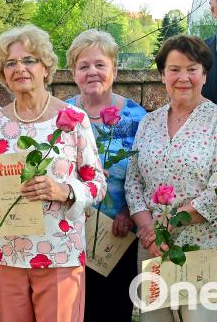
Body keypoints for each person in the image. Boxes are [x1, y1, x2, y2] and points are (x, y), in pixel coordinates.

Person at [0, 25, 107, 321]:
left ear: (46, 67)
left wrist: (65, 191)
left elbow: (96, 184)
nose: (20, 68)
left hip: (60, 253)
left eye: (29, 60)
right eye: (11, 63)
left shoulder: (73, 119)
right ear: (3, 74)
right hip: (4, 255)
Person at [126, 35, 217, 321]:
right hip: (153, 245)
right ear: (163, 75)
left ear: (204, 74)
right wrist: (147, 229)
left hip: (203, 246)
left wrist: (168, 223)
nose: (183, 77)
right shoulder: (149, 122)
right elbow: (134, 180)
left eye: (192, 69)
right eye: (174, 69)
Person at [64, 29, 145, 322]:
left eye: (100, 64)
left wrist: (130, 211)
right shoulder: (62, 115)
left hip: (119, 234)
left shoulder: (139, 118)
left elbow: (148, 173)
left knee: (114, 311)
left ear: (114, 68)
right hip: (69, 233)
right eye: (83, 66)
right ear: (73, 72)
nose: (92, 72)